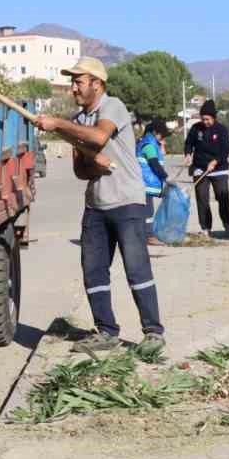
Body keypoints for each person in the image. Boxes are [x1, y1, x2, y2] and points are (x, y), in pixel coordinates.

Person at [35, 58, 164, 355]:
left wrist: (57, 124)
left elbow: (99, 136)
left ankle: (153, 333)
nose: (73, 88)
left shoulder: (112, 106)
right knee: (93, 269)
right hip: (96, 204)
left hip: (127, 201)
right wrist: (92, 161)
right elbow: (81, 172)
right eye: (73, 82)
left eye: (78, 81)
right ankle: (106, 331)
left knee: (136, 267)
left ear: (97, 83)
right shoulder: (78, 122)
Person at [185, 99, 229, 235]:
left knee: (222, 196)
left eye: (207, 119)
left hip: (218, 169)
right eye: (203, 119)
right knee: (202, 199)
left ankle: (226, 222)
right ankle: (206, 227)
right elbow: (189, 143)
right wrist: (188, 154)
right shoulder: (196, 128)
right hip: (200, 168)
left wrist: (215, 161)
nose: (204, 122)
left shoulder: (222, 130)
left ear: (214, 117)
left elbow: (225, 149)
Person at [135, 119, 170, 244]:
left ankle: (143, 234)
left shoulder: (147, 142)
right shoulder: (149, 145)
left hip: (144, 183)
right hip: (145, 184)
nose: (162, 138)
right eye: (162, 135)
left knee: (145, 211)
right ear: (155, 132)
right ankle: (149, 236)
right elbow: (154, 163)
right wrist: (165, 177)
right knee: (148, 211)